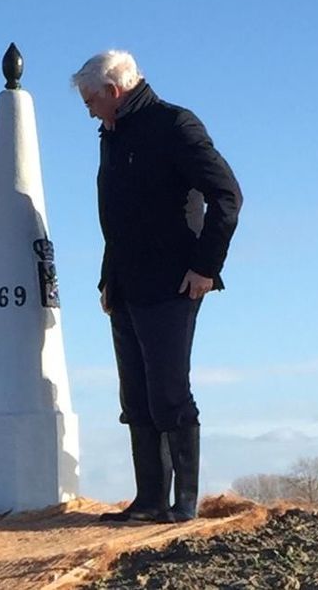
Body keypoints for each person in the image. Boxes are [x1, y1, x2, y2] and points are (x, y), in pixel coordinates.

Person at [71, 51, 242, 523]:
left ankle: (183, 503)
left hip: (174, 282)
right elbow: (121, 218)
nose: (86, 108)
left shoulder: (175, 124)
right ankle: (149, 501)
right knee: (137, 396)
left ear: (114, 90)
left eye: (90, 99)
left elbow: (227, 195)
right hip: (126, 283)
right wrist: (110, 278)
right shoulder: (111, 134)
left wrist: (205, 267)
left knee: (168, 392)